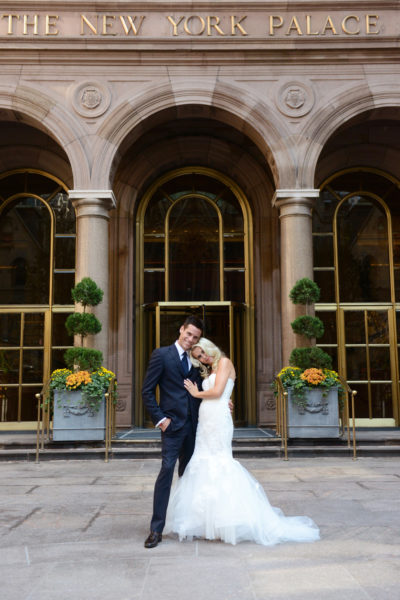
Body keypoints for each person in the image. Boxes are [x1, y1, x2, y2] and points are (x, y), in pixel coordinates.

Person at [164, 337, 320, 546]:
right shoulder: (209, 370)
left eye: (203, 352)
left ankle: (225, 521)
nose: (203, 358)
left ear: (210, 347)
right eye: (198, 357)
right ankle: (206, 522)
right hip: (206, 419)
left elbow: (218, 392)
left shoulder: (225, 362)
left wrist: (196, 392)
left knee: (220, 462)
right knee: (203, 461)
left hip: (218, 419)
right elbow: (220, 393)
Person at [142, 315, 204, 549]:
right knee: (167, 471)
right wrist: (160, 419)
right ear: (181, 330)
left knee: (188, 475)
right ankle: (156, 529)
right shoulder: (162, 355)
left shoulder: (197, 360)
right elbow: (147, 391)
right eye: (188, 334)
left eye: (195, 337)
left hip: (194, 427)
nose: (190, 339)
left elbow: (203, 389)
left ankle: (186, 524)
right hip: (172, 426)